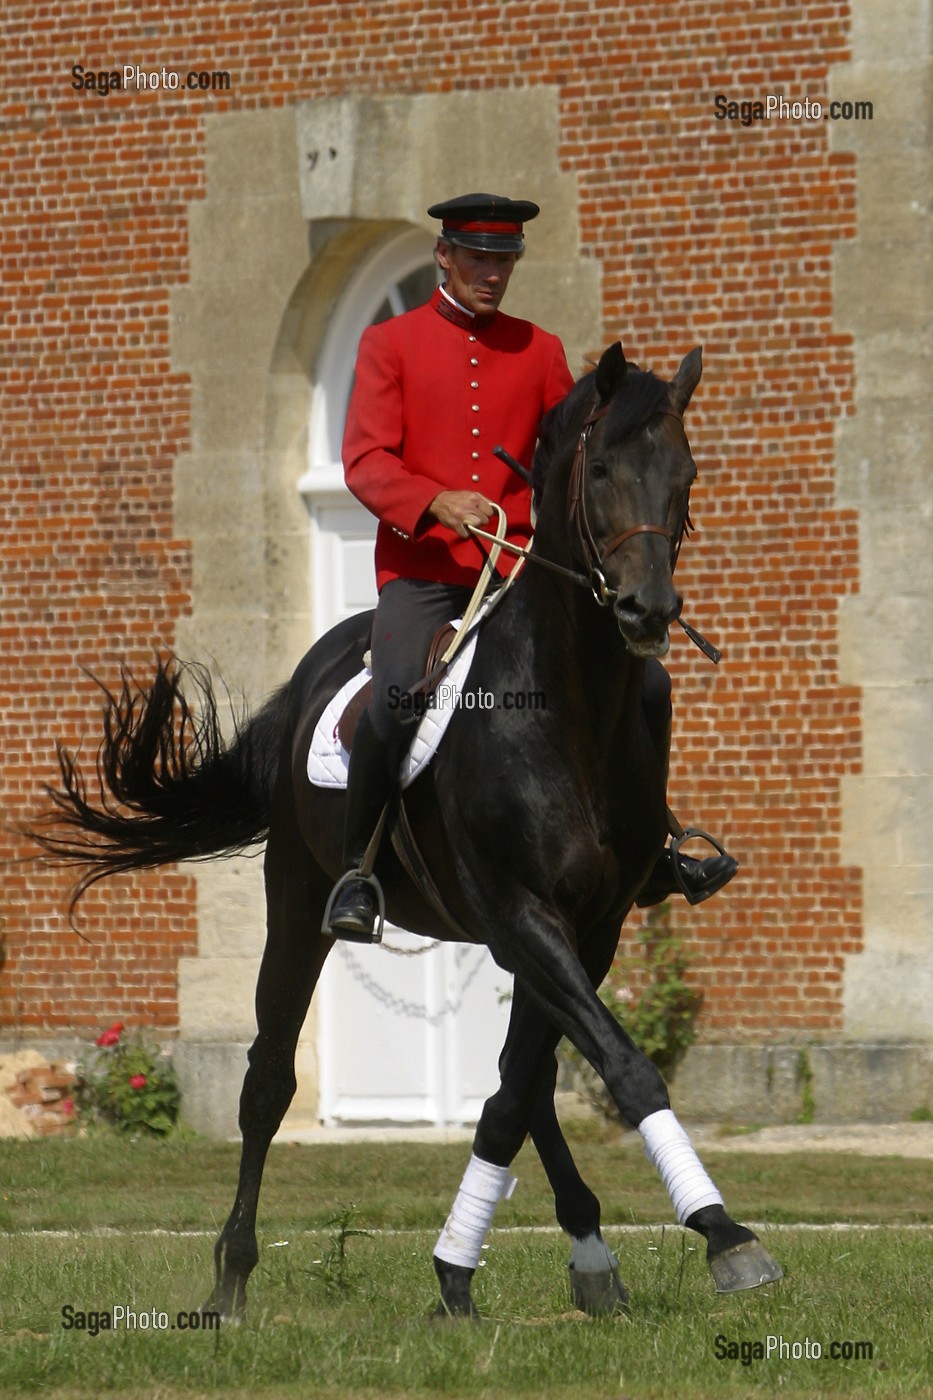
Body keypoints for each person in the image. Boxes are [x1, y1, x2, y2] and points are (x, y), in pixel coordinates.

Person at [323, 193, 736, 940]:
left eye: (504, 261)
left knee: (645, 683)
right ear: (444, 256)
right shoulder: (390, 343)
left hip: (518, 572)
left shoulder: (539, 349)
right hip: (424, 573)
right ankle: (358, 871)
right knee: (393, 699)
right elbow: (364, 461)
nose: (492, 274)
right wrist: (433, 501)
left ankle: (655, 850)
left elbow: (575, 456)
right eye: (478, 259)